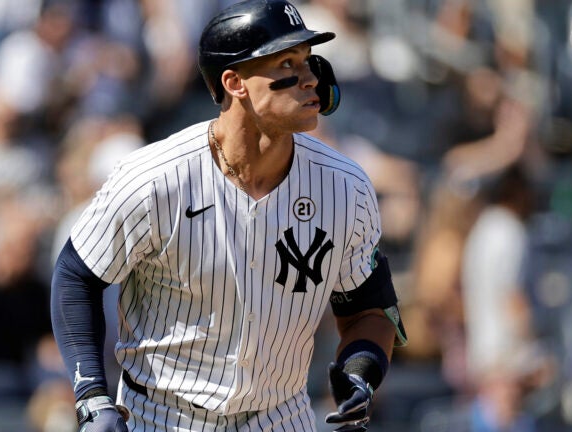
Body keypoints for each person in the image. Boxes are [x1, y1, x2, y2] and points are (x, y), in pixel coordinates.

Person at [50, 1, 407, 431]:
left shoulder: (346, 186)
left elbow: (370, 308)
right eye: (287, 63)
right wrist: (91, 394)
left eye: (310, 60)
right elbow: (75, 274)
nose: (311, 77)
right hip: (162, 416)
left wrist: (361, 372)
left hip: (279, 416)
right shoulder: (154, 178)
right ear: (234, 82)